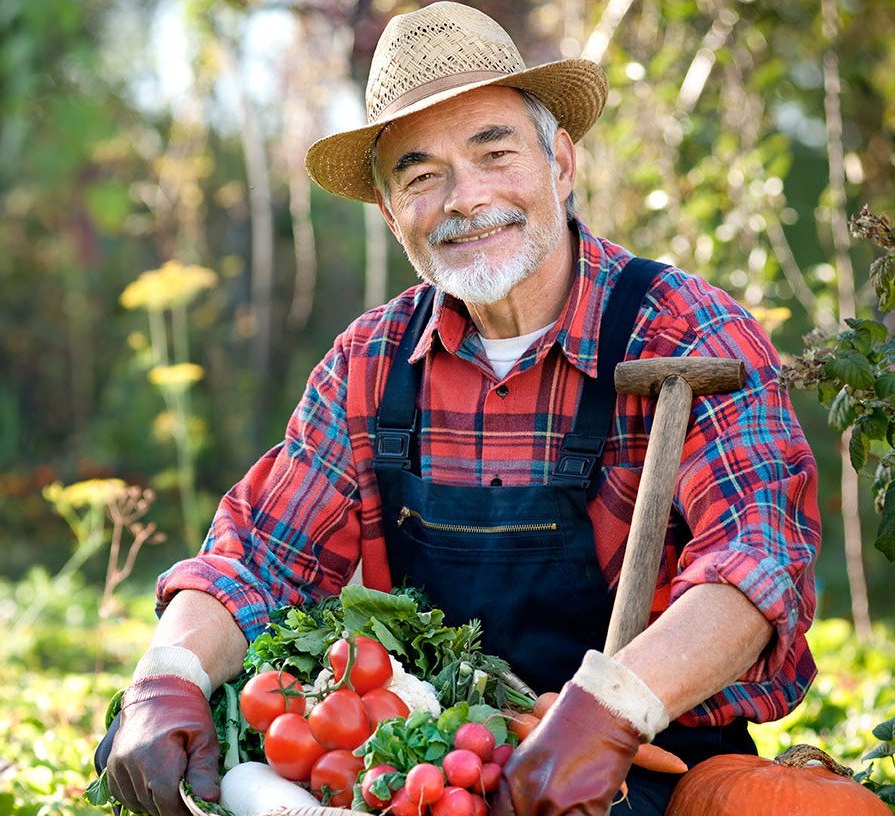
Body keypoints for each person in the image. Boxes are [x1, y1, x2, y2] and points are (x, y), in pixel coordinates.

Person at [99, 4, 820, 815]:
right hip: (442, 774)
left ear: (563, 163)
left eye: (494, 152)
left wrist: (611, 712)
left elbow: (758, 563)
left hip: (645, 762)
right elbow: (261, 555)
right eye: (421, 175)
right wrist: (166, 679)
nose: (465, 199)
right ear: (390, 214)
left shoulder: (686, 331)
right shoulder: (371, 363)